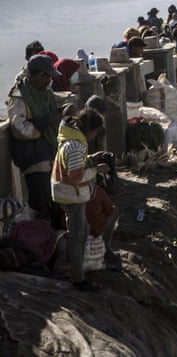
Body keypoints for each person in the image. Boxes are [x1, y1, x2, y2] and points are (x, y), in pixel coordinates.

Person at [51, 108, 111, 292]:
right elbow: (76, 177)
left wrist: (92, 159)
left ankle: (79, 268)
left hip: (70, 192)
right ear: (89, 129)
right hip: (71, 194)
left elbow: (76, 164)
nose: (94, 136)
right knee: (77, 235)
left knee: (82, 230)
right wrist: (97, 170)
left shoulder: (73, 140)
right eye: (95, 132)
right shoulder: (75, 145)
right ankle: (78, 279)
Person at [7, 54, 63, 222]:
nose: (49, 80)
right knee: (40, 201)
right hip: (33, 157)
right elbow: (19, 128)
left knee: (52, 198)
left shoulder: (45, 93)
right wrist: (47, 123)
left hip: (48, 153)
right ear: (37, 76)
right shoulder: (19, 96)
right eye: (46, 76)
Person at [86, 171, 121, 271]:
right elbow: (110, 210)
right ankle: (107, 246)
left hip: (76, 229)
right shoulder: (98, 191)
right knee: (114, 211)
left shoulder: (71, 191)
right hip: (94, 230)